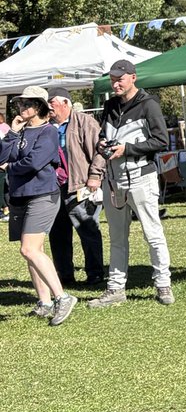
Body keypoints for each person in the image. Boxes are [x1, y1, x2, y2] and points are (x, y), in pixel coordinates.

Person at [86, 59, 174, 308]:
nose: (115, 83)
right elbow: (105, 135)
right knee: (116, 236)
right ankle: (115, 288)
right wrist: (102, 144)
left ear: (133, 78)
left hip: (141, 177)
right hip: (113, 180)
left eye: (120, 78)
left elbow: (161, 141)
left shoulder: (149, 105)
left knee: (152, 233)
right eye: (113, 79)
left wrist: (127, 149)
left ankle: (163, 284)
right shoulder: (110, 105)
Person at [0, 86, 77, 326]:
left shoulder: (48, 132)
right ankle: (44, 302)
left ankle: (62, 297)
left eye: (27, 104)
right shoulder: (21, 131)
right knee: (34, 252)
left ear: (41, 107)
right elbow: (2, 156)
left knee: (29, 249)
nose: (22, 108)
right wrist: (12, 132)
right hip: (20, 195)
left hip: (42, 195)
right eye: (20, 104)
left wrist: (10, 168)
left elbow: (33, 163)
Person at [46, 85, 105, 288]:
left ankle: (95, 273)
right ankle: (64, 276)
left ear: (65, 103)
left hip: (80, 185)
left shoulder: (85, 122)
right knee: (58, 234)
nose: (49, 107)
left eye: (52, 102)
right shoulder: (47, 126)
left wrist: (95, 175)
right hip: (54, 188)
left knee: (88, 230)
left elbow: (100, 151)